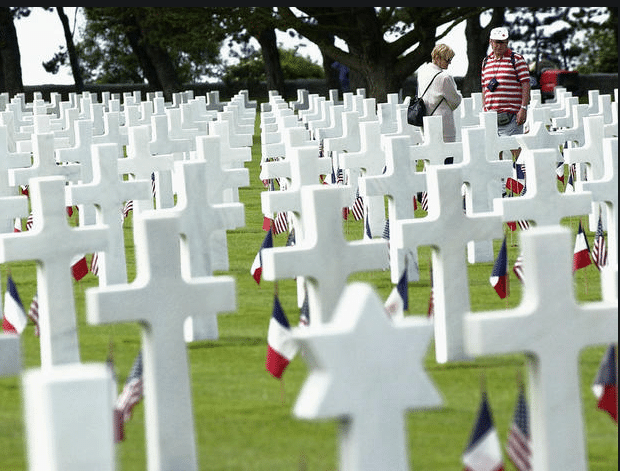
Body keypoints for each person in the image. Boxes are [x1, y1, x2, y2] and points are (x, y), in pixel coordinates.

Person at [481, 27, 531, 139]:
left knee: (514, 148)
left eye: (502, 43)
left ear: (507, 42)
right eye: (496, 42)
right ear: (490, 42)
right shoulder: (486, 61)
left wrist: (523, 108)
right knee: (495, 150)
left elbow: (526, 84)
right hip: (491, 116)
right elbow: (484, 87)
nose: (499, 46)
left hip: (512, 115)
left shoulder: (517, 59)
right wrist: (484, 108)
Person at [416, 44, 462, 143]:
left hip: (426, 121)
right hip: (443, 124)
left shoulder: (422, 72)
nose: (449, 63)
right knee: (447, 155)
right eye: (447, 60)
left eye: (450, 60)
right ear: (437, 58)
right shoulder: (444, 77)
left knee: (431, 156)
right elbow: (455, 101)